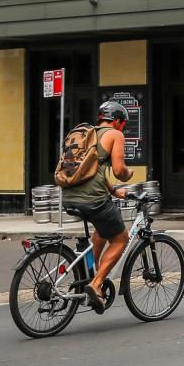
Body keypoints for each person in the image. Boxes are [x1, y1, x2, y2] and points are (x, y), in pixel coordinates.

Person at [61, 100, 134, 314]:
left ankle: (93, 273)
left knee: (102, 230)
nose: (124, 129)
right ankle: (96, 283)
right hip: (93, 199)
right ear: (118, 121)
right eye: (124, 124)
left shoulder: (88, 135)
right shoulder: (115, 135)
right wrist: (128, 174)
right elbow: (119, 170)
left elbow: (91, 170)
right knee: (121, 238)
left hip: (68, 196)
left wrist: (113, 191)